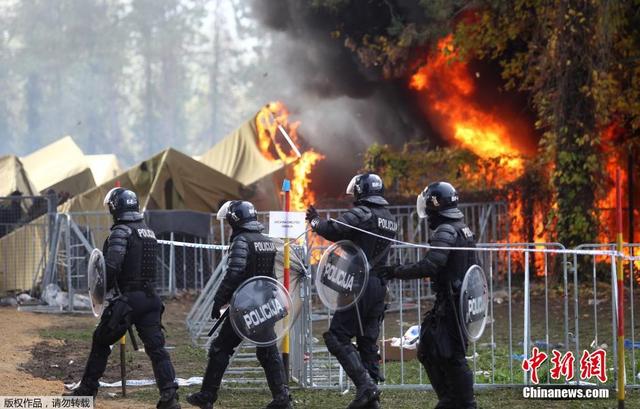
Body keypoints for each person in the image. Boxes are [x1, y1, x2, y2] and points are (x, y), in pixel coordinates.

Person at [65, 188, 180, 409]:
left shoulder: (121, 231)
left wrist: (102, 291)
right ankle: (170, 397)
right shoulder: (147, 231)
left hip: (129, 300)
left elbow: (111, 266)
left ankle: (86, 392)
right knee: (157, 349)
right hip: (150, 299)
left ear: (116, 207)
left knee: (101, 340)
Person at [375, 182, 477, 409]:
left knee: (451, 354)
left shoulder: (446, 230)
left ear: (434, 205)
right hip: (457, 302)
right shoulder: (462, 227)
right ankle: (451, 398)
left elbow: (432, 265)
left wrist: (395, 271)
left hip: (451, 304)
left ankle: (461, 402)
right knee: (429, 347)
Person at [187, 200, 292, 409]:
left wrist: (219, 301)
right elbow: (271, 278)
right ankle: (282, 398)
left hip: (244, 308)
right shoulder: (266, 240)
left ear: (235, 220)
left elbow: (234, 273)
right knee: (268, 352)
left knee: (220, 348)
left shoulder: (242, 241)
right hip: (263, 306)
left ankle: (207, 396)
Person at [306, 173, 397, 409]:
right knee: (367, 342)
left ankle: (366, 387)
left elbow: (336, 229)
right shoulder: (389, 217)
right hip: (379, 287)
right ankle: (372, 401)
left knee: (336, 336)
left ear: (361, 191)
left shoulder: (364, 213)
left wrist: (315, 222)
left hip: (360, 285)